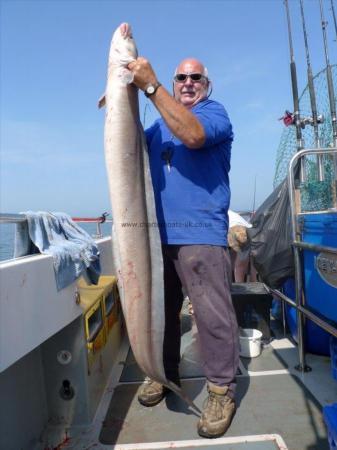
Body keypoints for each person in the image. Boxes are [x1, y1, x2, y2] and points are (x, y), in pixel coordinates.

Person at [127, 54, 239, 438]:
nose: (188, 82)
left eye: (196, 77)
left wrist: (152, 87)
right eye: (181, 77)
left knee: (211, 318)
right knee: (160, 315)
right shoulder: (157, 127)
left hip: (200, 236)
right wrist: (125, 90)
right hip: (155, 237)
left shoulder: (214, 114)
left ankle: (222, 389)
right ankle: (162, 373)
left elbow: (192, 135)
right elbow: (128, 153)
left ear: (206, 85)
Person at [227, 210, 257, 283]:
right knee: (240, 262)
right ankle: (240, 284)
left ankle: (236, 285)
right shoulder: (229, 213)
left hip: (239, 230)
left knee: (238, 264)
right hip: (246, 229)